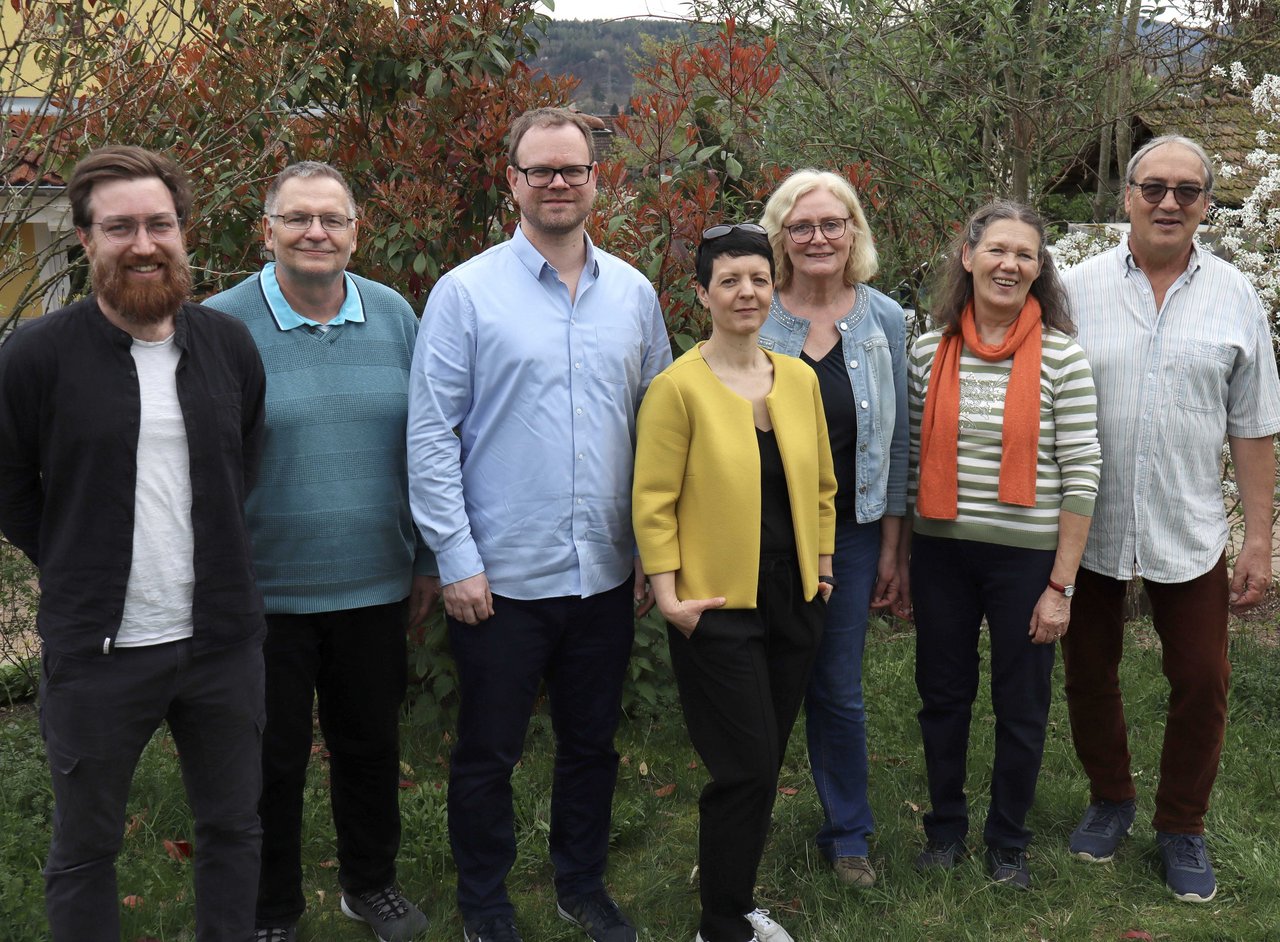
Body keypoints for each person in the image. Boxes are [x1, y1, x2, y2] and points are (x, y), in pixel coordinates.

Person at [407, 107, 671, 942]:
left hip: (602, 572)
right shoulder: (465, 292)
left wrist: (649, 552)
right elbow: (429, 434)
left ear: (598, 179)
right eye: (541, 170)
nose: (558, 182)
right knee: (488, 754)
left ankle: (579, 885)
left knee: (591, 746)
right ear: (512, 181)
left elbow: (659, 429)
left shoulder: (633, 293)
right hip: (501, 577)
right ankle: (485, 905)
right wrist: (455, 559)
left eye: (574, 169)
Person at [0, 145, 266, 942]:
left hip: (222, 643)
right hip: (98, 652)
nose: (144, 243)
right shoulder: (36, 358)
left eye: (160, 224)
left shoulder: (227, 346)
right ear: (85, 241)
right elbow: (10, 484)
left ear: (185, 231)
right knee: (85, 848)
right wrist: (79, 556)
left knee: (234, 830)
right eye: (120, 227)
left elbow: (241, 462)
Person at [204, 161, 437, 942]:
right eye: (297, 218)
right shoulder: (221, 324)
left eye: (332, 220)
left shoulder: (396, 313)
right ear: (265, 230)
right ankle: (271, 907)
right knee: (268, 764)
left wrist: (429, 559)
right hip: (261, 594)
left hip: (375, 582)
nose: (316, 233)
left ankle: (369, 885)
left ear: (355, 231)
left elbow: (428, 444)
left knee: (369, 747)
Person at [1060, 135, 1280, 903]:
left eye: (1187, 191)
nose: (1168, 203)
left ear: (1207, 207)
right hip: (1086, 525)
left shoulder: (1235, 296)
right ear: (1126, 196)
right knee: (1089, 673)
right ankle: (1111, 797)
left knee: (1202, 678)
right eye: (1154, 187)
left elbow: (1252, 425)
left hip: (1188, 528)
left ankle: (1182, 824)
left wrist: (1260, 537)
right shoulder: (1072, 289)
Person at [633, 223, 837, 942]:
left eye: (757, 278)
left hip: (794, 599)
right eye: (729, 280)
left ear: (772, 289)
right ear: (702, 294)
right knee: (745, 765)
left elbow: (821, 485)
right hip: (714, 603)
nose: (745, 292)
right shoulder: (677, 388)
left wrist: (822, 568)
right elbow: (653, 500)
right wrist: (667, 596)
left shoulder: (800, 378)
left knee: (764, 758)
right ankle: (720, 923)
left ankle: (736, 897)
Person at [902, 200, 1100, 889]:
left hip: (1026, 562)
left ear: (1040, 270)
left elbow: (1082, 475)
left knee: (1021, 704)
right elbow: (908, 463)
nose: (1009, 264)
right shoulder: (928, 351)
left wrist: (1060, 586)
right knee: (943, 696)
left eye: (1025, 255)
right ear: (968, 256)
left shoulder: (1063, 358)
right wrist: (900, 560)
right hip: (940, 555)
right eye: (997, 251)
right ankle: (946, 830)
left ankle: (1008, 841)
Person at [757, 169, 908, 887]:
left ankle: (848, 834)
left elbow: (900, 440)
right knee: (757, 683)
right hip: (762, 531)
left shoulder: (886, 320)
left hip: (849, 530)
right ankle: (743, 824)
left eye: (832, 223)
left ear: (854, 233)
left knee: (838, 689)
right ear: (781, 237)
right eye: (802, 226)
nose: (819, 237)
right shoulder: (754, 315)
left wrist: (891, 543)